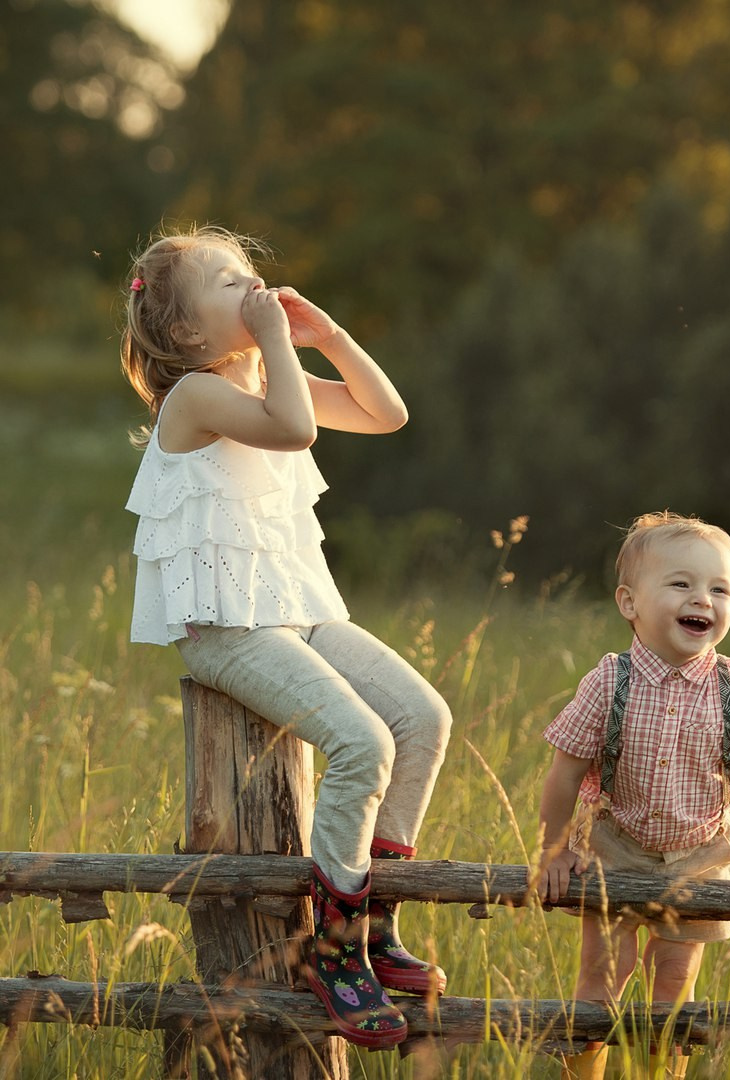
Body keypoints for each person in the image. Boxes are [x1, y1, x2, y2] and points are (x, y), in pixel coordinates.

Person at [120, 224, 452, 1049]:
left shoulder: (272, 377)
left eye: (249, 275)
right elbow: (297, 431)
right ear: (190, 334)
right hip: (227, 627)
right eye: (229, 283)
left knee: (423, 719)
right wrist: (273, 341)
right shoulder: (195, 395)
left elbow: (388, 413)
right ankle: (332, 950)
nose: (254, 288)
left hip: (297, 609)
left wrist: (323, 336)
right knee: (362, 743)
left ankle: (373, 922)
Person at [537, 511, 730, 1079]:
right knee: (605, 973)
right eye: (681, 583)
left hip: (700, 855)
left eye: (720, 589)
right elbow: (563, 773)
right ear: (629, 603)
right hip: (615, 843)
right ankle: (584, 1072)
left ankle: (661, 1073)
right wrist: (554, 849)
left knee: (675, 984)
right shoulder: (609, 681)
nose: (702, 598)